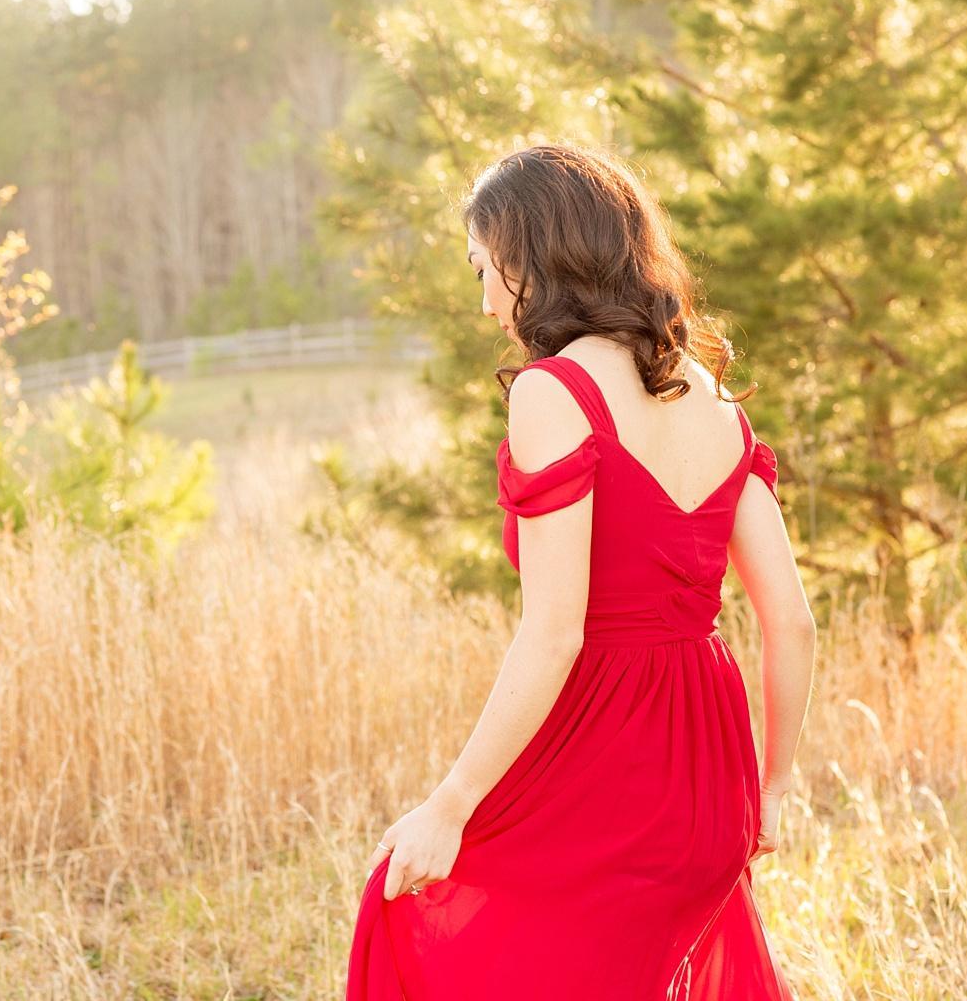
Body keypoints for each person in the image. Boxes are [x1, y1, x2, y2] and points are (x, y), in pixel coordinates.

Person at [345, 143, 816, 999]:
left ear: (532, 260)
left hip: (610, 758)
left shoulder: (553, 391)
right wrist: (771, 787)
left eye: (485, 270)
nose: (485, 301)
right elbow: (791, 620)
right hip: (712, 778)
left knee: (410, 915)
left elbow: (555, 632)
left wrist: (451, 802)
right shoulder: (708, 393)